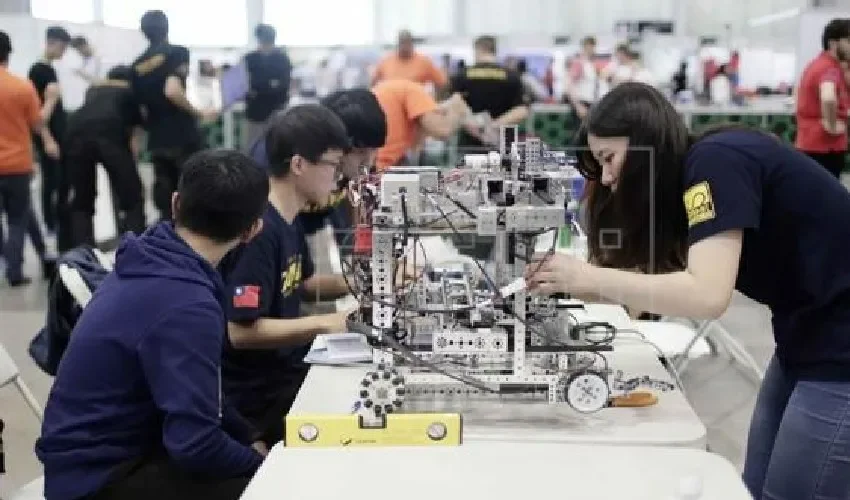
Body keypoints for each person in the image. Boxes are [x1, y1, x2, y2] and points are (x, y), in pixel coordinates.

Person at [526, 82, 850, 500]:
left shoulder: (716, 164)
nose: (606, 178)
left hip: (840, 351)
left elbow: (706, 295)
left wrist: (587, 279)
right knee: (752, 490)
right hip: (803, 339)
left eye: (609, 159)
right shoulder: (690, 181)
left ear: (645, 143)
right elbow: (656, 284)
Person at [36, 149, 270, 500]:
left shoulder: (152, 256)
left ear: (176, 204)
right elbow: (196, 444)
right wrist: (265, 467)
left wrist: (247, 437)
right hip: (99, 480)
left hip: (90, 459)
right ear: (253, 229)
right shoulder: (187, 304)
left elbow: (204, 394)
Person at [219, 104, 356, 446]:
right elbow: (239, 331)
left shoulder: (288, 218)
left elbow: (303, 285)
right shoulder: (261, 230)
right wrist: (329, 323)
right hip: (256, 397)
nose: (338, 178)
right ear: (298, 164)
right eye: (333, 166)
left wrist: (370, 285)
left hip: (282, 374)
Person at [132, 10, 217, 221]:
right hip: (183, 135)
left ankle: (168, 244)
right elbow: (172, 90)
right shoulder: (177, 53)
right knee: (194, 193)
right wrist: (198, 113)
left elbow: (141, 109)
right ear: (167, 28)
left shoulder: (136, 66)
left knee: (166, 199)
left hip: (157, 139)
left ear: (144, 33)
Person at [63, 65, 146, 247]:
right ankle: (136, 247)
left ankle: (83, 251)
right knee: (132, 196)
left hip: (74, 134)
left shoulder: (93, 90)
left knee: (82, 199)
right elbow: (135, 131)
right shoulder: (127, 91)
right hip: (109, 136)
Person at [0, 30, 54, 286]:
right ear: (8, 54)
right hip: (17, 165)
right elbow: (37, 122)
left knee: (20, 216)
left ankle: (40, 256)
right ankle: (14, 272)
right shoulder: (22, 86)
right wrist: (52, 101)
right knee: (17, 219)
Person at [28, 26, 70, 246]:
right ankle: (51, 226)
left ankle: (57, 224)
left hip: (56, 135)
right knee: (52, 181)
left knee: (59, 180)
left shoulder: (47, 70)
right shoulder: (39, 71)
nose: (63, 53)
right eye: (62, 47)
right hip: (50, 137)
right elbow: (36, 112)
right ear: (52, 43)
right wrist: (47, 139)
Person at [449, 35, 528, 151]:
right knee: (506, 168)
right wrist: (494, 126)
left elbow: (455, 105)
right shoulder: (511, 76)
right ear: (494, 50)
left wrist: (478, 127)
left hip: (470, 143)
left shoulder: (462, 75)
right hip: (503, 142)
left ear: (477, 50)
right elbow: (522, 110)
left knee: (469, 168)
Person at [373, 79, 471, 171]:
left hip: (372, 164)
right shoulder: (415, 91)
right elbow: (443, 130)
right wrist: (458, 108)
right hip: (381, 168)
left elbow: (416, 144)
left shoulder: (395, 89)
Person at [795, 18, 850, 178]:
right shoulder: (829, 68)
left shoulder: (817, 64)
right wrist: (831, 125)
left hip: (811, 144)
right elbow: (828, 97)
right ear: (833, 43)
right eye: (848, 40)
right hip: (825, 147)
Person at [242, 24, 292, 151]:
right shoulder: (249, 59)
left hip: (276, 110)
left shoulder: (282, 59)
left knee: (276, 147)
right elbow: (244, 85)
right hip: (255, 112)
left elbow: (283, 85)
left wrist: (258, 88)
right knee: (253, 148)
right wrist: (269, 84)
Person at [371, 30, 447, 90]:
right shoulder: (385, 61)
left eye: (407, 42)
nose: (404, 46)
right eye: (402, 43)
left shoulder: (424, 62)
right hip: (390, 105)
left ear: (411, 44)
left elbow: (441, 83)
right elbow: (373, 84)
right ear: (398, 44)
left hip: (415, 105)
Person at [565, 36, 601, 121]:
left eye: (593, 46)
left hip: (592, 103)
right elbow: (569, 85)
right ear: (584, 47)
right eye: (589, 46)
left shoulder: (593, 64)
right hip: (582, 103)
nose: (592, 49)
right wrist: (578, 106)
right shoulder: (578, 63)